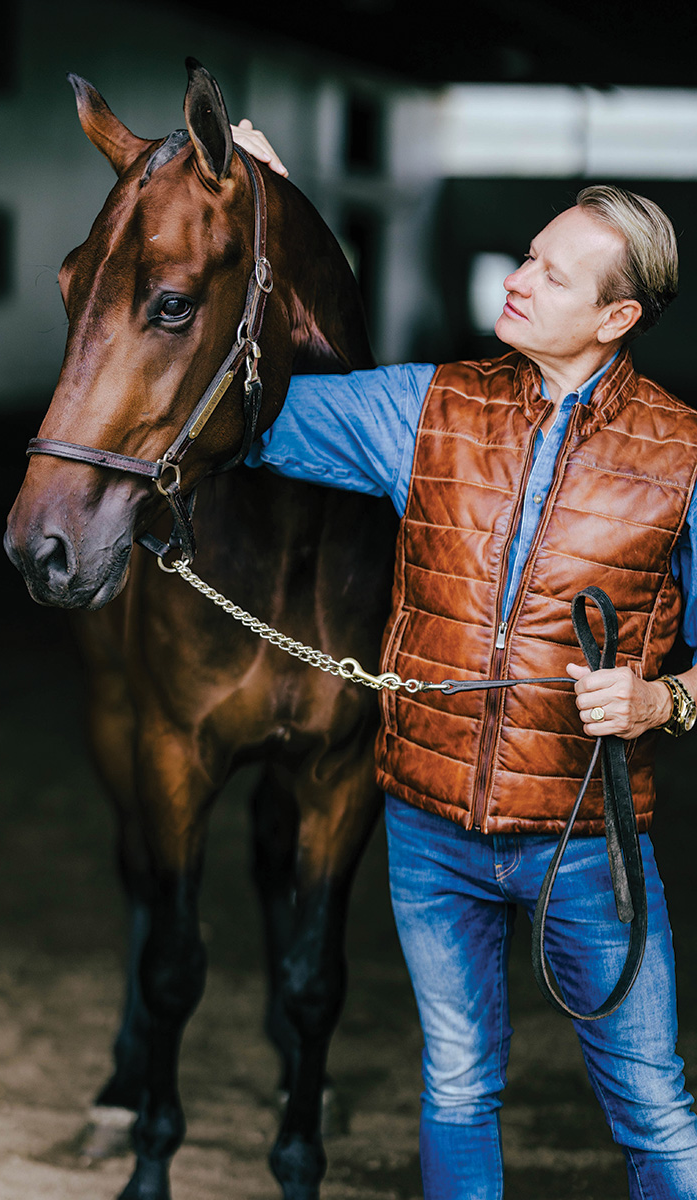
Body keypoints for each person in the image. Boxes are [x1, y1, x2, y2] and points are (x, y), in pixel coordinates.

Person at [233, 124, 697, 1199]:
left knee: (653, 1105)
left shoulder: (681, 457)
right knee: (454, 1084)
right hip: (426, 830)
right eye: (525, 256)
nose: (519, 277)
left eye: (550, 271)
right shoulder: (426, 406)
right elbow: (245, 412)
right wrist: (274, 218)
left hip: (585, 841)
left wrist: (659, 698)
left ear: (616, 317)